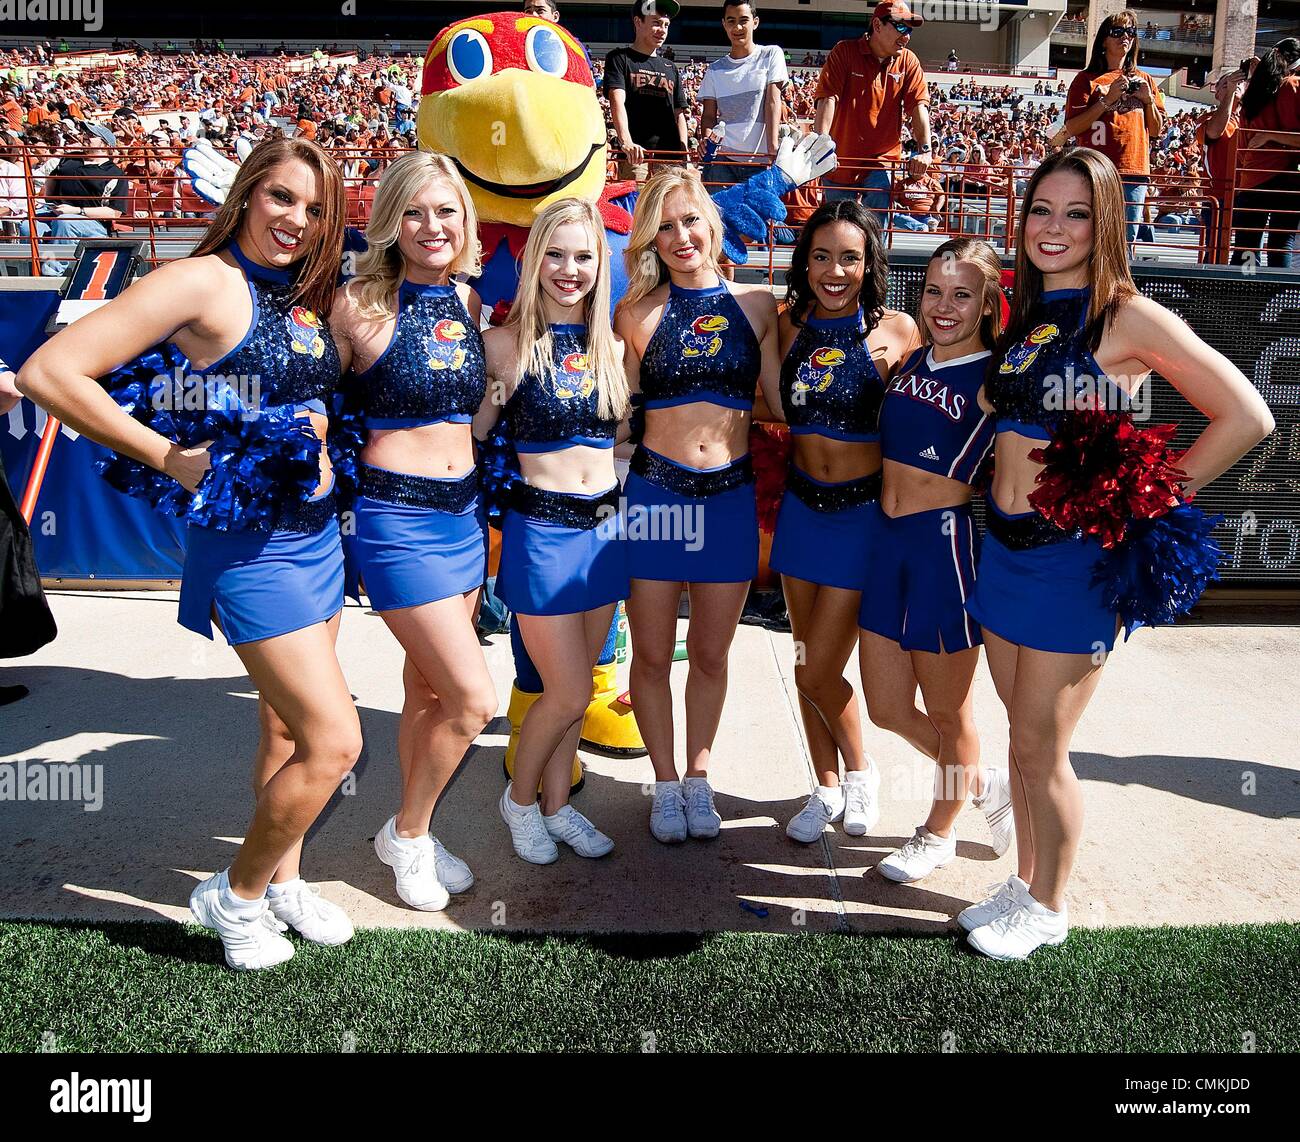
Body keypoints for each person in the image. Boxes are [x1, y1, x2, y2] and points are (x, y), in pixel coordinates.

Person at [17, 137, 361, 971]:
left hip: (312, 538)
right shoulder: (201, 280)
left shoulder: (304, 293)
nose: (296, 220)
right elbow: (50, 372)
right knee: (335, 742)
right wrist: (168, 456)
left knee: (284, 730)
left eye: (314, 210)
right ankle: (235, 892)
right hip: (246, 549)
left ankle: (284, 882)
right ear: (246, 194)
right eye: (281, 198)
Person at [961, 147, 1274, 959]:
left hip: (1074, 563)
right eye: (1041, 211)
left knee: (1041, 745)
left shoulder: (1129, 317)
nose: (1053, 229)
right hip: (1003, 551)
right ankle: (1025, 883)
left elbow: (1246, 416)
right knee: (1016, 738)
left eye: (1076, 214)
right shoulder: (1028, 312)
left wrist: (1145, 499)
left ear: (1109, 224)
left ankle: (1050, 907)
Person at [330, 151, 496, 911]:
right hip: (393, 522)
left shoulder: (467, 301)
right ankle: (408, 832)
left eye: (447, 212)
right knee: (471, 699)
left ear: (465, 221)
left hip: (464, 516)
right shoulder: (357, 304)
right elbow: (314, 410)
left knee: (427, 691)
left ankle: (414, 834)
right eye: (417, 212)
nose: (433, 227)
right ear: (392, 219)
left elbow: (473, 413)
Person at [614, 166, 780, 843]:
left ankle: (699, 777)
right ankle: (663, 780)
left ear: (715, 224)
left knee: (711, 655)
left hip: (730, 500)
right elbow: (621, 417)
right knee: (652, 656)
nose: (681, 236)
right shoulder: (637, 314)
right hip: (656, 497)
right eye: (665, 225)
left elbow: (783, 403)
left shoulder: (760, 305)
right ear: (652, 238)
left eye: (690, 220)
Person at [476, 198, 631, 863]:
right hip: (539, 537)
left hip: (604, 537)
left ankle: (558, 807)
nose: (570, 270)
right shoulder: (502, 348)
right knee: (563, 690)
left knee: (578, 694)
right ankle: (517, 803)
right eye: (557, 255)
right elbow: (472, 443)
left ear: (602, 264)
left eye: (585, 256)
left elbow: (619, 441)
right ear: (533, 259)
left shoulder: (613, 348)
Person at [859, 237, 1013, 881]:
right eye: (933, 292)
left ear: (986, 304)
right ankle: (982, 780)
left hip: (943, 548)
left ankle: (938, 832)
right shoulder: (911, 360)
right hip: (884, 544)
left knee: (952, 712)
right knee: (886, 707)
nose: (943, 307)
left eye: (961, 295)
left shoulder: (997, 381)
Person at [767, 200, 916, 843]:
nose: (834, 270)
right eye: (821, 256)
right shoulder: (785, 323)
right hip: (801, 510)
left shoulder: (899, 329)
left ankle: (861, 773)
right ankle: (823, 787)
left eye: (849, 257)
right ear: (804, 262)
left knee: (818, 668)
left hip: (861, 517)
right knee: (806, 656)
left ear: (869, 262)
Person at [813, 2, 931, 220]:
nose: (907, 36)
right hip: (841, 158)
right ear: (877, 25)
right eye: (901, 27)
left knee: (878, 208)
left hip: (882, 159)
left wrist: (925, 150)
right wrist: (821, 144)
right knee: (838, 224)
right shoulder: (844, 51)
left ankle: (875, 255)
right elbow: (828, 98)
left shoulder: (909, 60)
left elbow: (918, 105)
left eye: (910, 29)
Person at [1063, 9, 1166, 250]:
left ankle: (1119, 289)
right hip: (1096, 170)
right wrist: (1106, 101)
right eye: (1117, 31)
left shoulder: (1146, 80)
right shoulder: (1086, 79)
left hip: (1134, 171)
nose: (1125, 37)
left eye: (1130, 32)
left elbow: (1156, 130)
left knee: (1125, 245)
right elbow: (1072, 127)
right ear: (1103, 41)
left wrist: (1149, 100)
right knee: (1092, 240)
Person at [697, 1, 787, 187]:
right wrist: (706, 141)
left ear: (755, 22)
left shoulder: (772, 54)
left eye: (743, 20)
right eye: (731, 21)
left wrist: (772, 149)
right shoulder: (714, 70)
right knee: (718, 216)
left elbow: (772, 101)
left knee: (758, 216)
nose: (737, 27)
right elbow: (708, 116)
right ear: (724, 24)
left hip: (760, 162)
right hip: (721, 162)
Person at [18, 127, 129, 276]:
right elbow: (51, 181)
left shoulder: (114, 173)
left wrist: (76, 211)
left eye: (91, 135)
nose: (85, 136)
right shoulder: (69, 159)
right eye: (86, 133)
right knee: (28, 225)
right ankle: (33, 269)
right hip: (59, 213)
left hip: (93, 224)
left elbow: (114, 213)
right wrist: (51, 202)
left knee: (65, 222)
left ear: (105, 144)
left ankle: (50, 274)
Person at [1231, 40, 1300, 269]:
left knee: (1246, 248)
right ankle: (1275, 301)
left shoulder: (1252, 93)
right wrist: (1272, 136)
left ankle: (1243, 298)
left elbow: (1245, 141)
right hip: (1283, 179)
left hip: (1250, 179)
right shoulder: (1290, 86)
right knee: (1280, 244)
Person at [604, 0, 689, 182]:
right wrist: (626, 142)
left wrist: (684, 152)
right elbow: (616, 100)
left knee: (669, 209)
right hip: (636, 156)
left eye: (666, 25)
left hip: (670, 158)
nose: (662, 30)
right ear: (638, 22)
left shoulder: (671, 67)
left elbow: (679, 114)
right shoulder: (619, 58)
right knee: (636, 208)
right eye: (656, 23)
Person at [891, 167, 945, 231]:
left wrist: (937, 209)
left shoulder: (931, 182)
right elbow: (894, 199)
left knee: (931, 220)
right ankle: (921, 227)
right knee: (896, 217)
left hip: (927, 215)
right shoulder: (902, 183)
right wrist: (900, 207)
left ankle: (928, 224)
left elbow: (941, 196)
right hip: (907, 216)